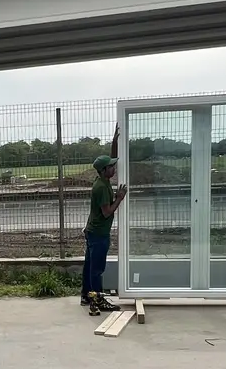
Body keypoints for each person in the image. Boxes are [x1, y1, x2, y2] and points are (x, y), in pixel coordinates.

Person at [81, 125, 127, 315]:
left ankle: (86, 296)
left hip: (93, 231)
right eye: (111, 167)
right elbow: (107, 212)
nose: (114, 168)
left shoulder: (103, 180)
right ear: (103, 170)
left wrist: (115, 142)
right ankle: (97, 300)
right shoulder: (100, 188)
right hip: (99, 233)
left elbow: (110, 159)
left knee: (89, 266)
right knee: (96, 270)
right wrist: (120, 198)